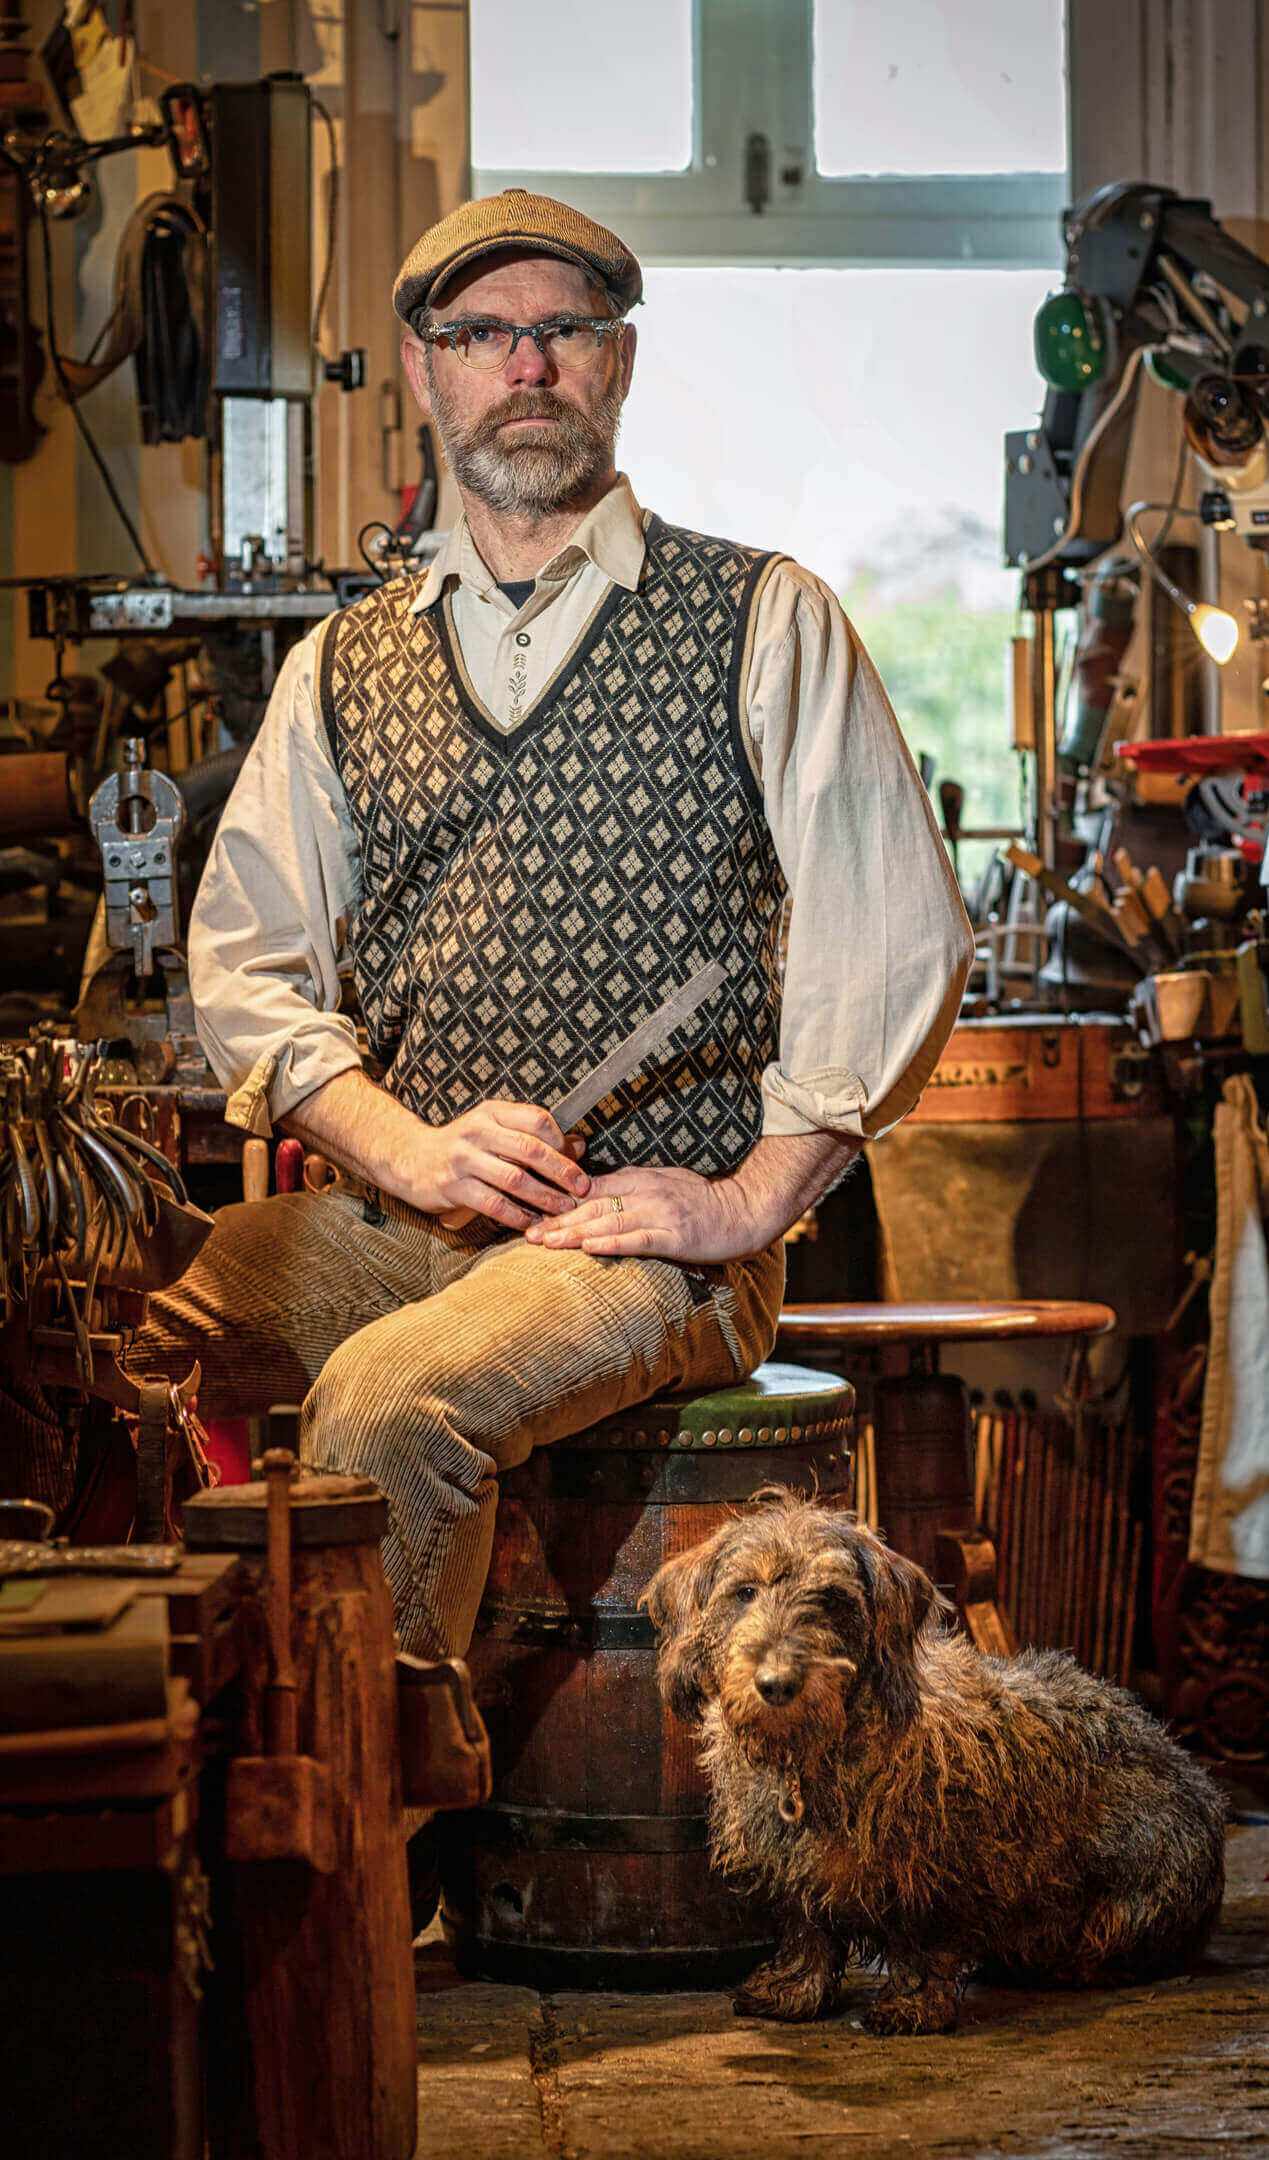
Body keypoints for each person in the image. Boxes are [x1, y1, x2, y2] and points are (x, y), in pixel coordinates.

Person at [142, 188, 971, 1667]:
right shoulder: (346, 665)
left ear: (619, 360)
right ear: (425, 371)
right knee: (112, 1342)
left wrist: (747, 1202)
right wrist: (402, 1148)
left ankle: (370, 1828)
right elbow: (248, 965)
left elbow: (898, 937)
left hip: (642, 1245)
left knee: (390, 1409)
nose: (525, 366)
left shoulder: (761, 618)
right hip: (395, 1221)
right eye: (482, 334)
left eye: (562, 331)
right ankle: (167, 1738)